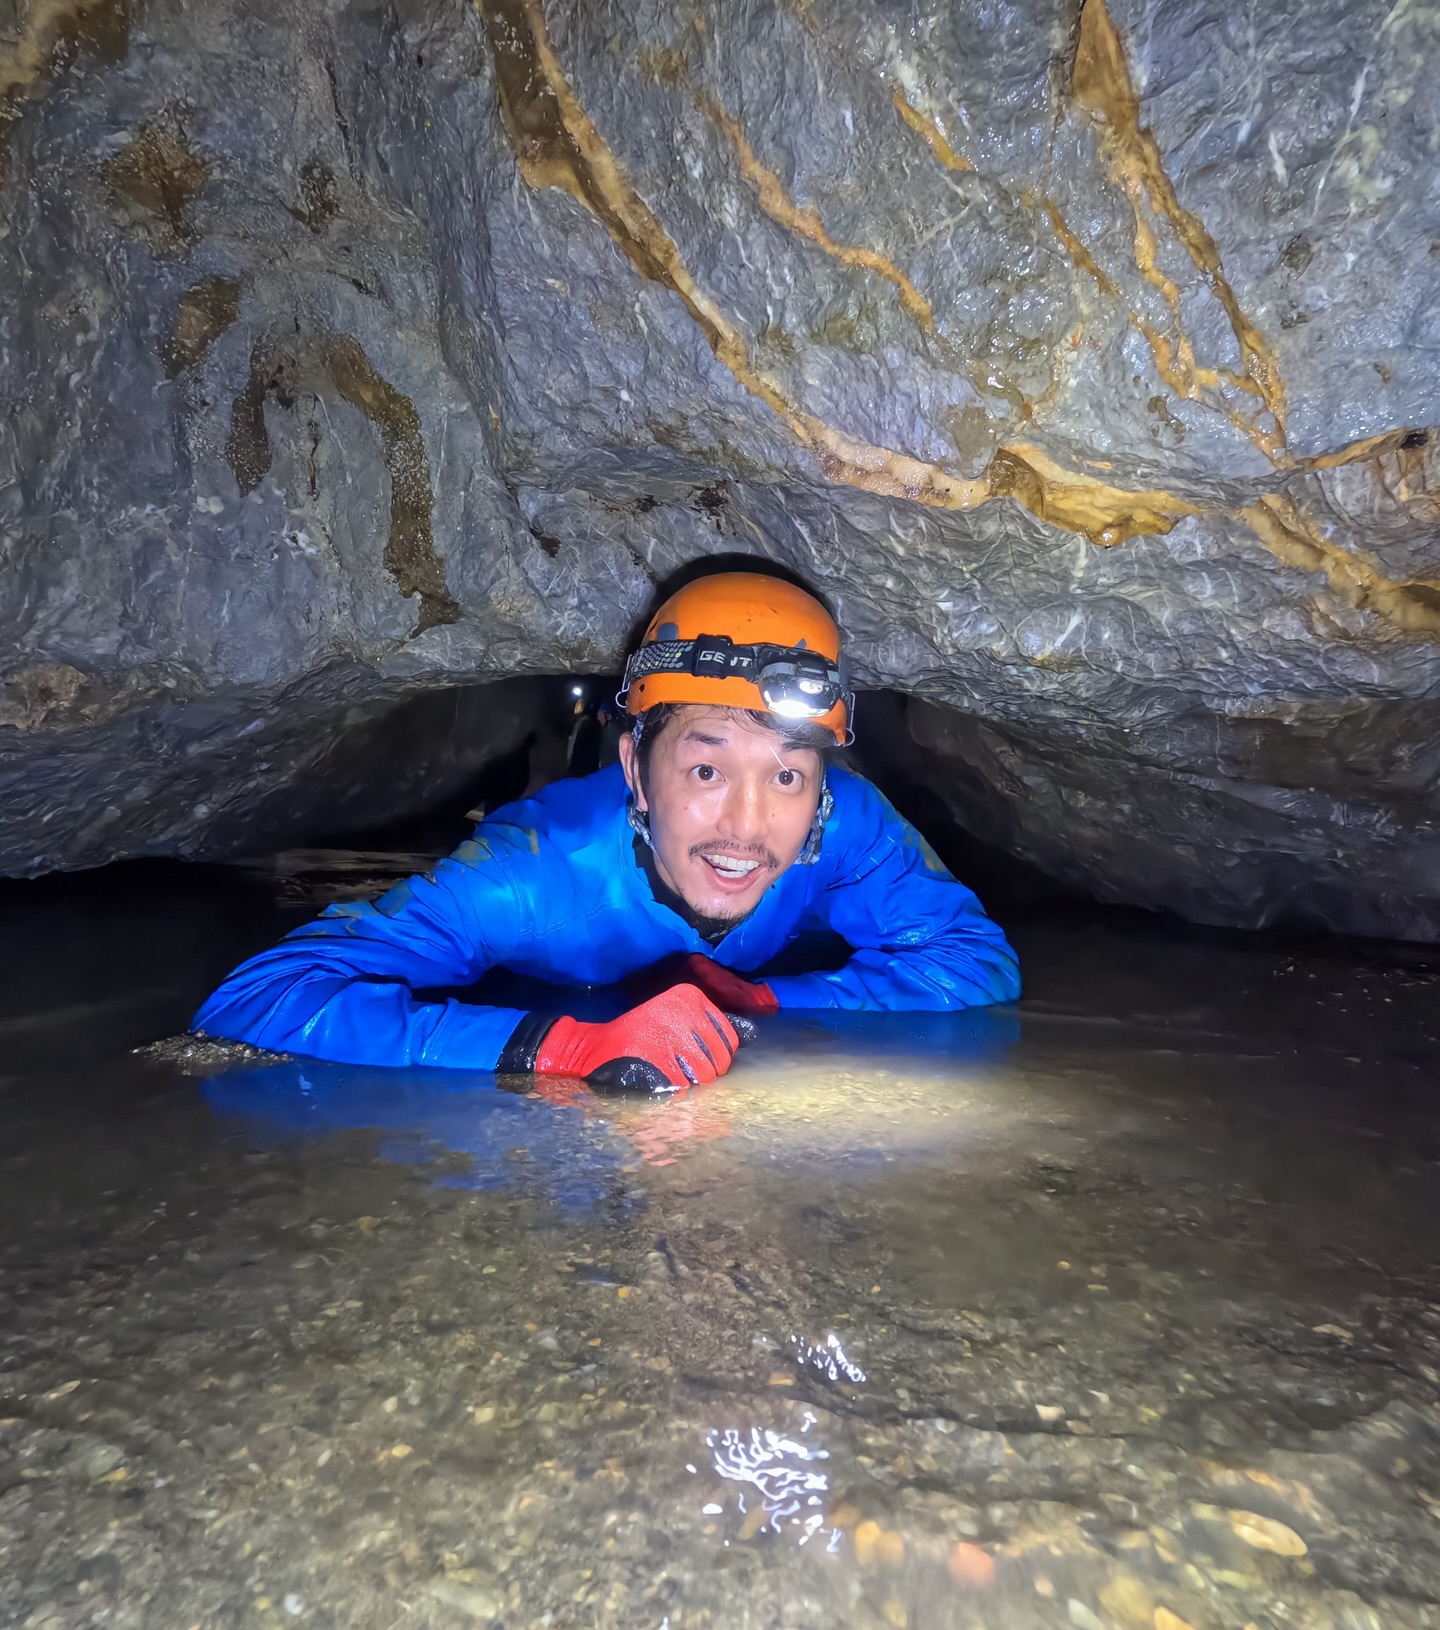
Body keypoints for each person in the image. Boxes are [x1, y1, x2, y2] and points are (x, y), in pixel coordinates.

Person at [195, 572, 1020, 1090]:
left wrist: (765, 995)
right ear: (635, 768)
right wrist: (560, 1047)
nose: (748, 826)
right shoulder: (527, 872)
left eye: (788, 775)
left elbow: (978, 963)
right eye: (705, 769)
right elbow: (256, 1000)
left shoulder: (845, 827)